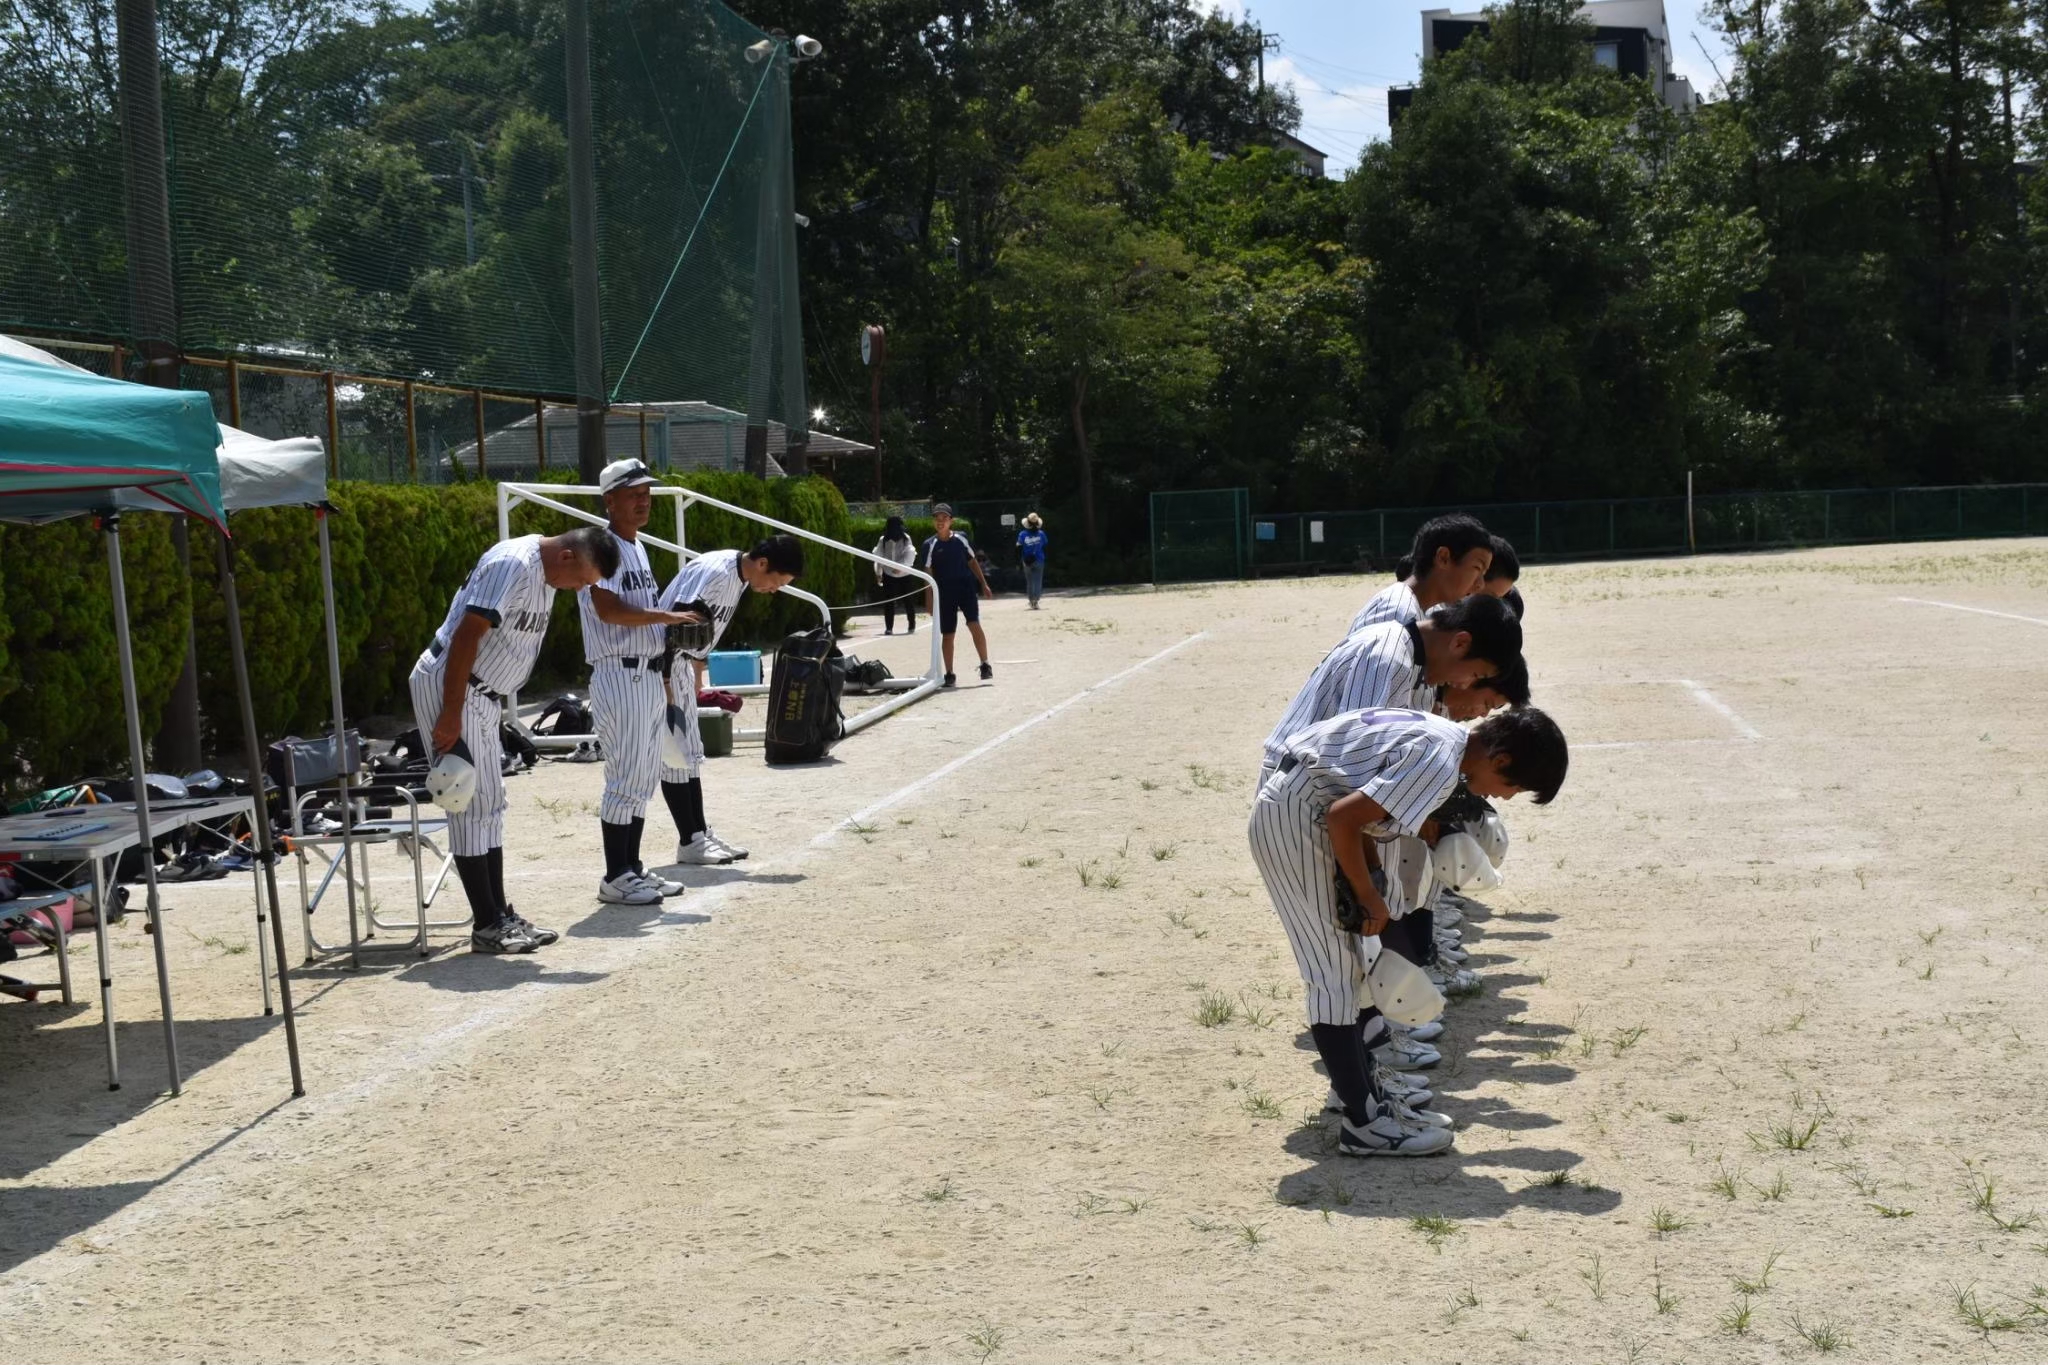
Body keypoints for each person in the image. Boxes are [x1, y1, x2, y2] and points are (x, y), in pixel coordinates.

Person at [1248, 705, 1569, 1156]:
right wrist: (1367, 892)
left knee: (1355, 962)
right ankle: (1365, 1125)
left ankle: (1363, 1093)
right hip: (1297, 821)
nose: (1507, 797)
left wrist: (1372, 878)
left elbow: (1353, 802)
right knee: (1334, 973)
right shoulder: (1440, 764)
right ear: (1499, 761)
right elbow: (1343, 815)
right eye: (1512, 786)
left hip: (1306, 811)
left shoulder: (1448, 743)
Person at [412, 526, 619, 953]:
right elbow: (467, 635)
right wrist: (450, 714)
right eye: (582, 579)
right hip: (457, 685)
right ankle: (487, 925)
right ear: (565, 556)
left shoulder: (545, 573)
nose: (580, 588)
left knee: (492, 803)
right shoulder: (514, 563)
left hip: (480, 693)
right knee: (469, 804)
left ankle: (499, 913)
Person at [578, 458, 704, 908]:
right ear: (609, 500)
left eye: (646, 491)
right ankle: (615, 875)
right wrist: (664, 616)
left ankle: (630, 867)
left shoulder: (637, 546)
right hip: (619, 671)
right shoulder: (598, 544)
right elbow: (607, 609)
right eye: (633, 493)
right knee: (624, 780)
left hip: (646, 672)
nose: (644, 499)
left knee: (643, 777)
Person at [1261, 594, 1521, 786]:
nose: (1465, 684)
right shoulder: (1392, 658)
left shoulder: (1413, 659)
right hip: (1296, 786)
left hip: (1310, 786)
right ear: (1461, 643)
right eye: (1475, 674)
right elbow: (1353, 764)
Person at [655, 535, 805, 865]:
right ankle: (689, 839)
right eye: (778, 580)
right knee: (675, 756)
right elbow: (672, 624)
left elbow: (698, 636)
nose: (776, 588)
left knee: (690, 753)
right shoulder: (719, 573)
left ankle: (698, 834)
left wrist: (694, 677)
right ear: (763, 564)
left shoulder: (737, 576)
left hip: (679, 667)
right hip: (660, 667)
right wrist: (667, 682)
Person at [1349, 514, 1493, 635]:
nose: (1480, 585)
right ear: (1443, 558)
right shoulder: (1398, 617)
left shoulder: (1424, 608)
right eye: (1477, 568)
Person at [920, 503, 994, 688]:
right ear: (933, 522)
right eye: (937, 518)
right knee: (948, 634)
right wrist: (929, 599)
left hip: (965, 587)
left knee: (973, 623)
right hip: (945, 591)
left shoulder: (961, 539)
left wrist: (983, 584)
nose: (940, 521)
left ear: (951, 521)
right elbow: (927, 574)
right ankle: (949, 673)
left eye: (944, 518)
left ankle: (985, 664)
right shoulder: (929, 545)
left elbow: (972, 561)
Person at [872, 515, 918, 634]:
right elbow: (878, 556)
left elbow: (910, 554)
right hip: (888, 575)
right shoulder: (883, 540)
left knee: (908, 601)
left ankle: (911, 625)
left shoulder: (906, 538)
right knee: (889, 602)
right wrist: (878, 572)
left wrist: (901, 566)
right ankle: (889, 627)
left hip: (905, 575)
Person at [1016, 513, 1048, 609]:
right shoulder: (1041, 534)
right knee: (1038, 581)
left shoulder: (1022, 534)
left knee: (1029, 582)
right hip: (1039, 559)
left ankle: (1031, 601)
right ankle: (1036, 601)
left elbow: (1018, 547)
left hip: (1026, 561)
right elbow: (1045, 544)